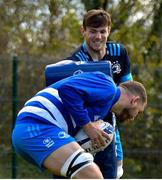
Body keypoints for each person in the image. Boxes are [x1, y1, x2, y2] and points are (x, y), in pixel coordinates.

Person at [12, 71, 147, 179]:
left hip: (37, 130)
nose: (134, 117)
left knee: (83, 173)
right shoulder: (108, 86)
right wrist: (88, 127)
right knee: (92, 175)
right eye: (138, 112)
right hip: (36, 127)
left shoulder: (102, 108)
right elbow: (67, 90)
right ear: (135, 100)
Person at [65, 9, 133, 178]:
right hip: (81, 126)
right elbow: (71, 101)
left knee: (115, 172)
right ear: (83, 31)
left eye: (103, 31)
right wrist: (88, 127)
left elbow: (127, 88)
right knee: (83, 173)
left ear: (109, 31)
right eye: (93, 31)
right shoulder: (74, 61)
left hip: (109, 124)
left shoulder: (119, 52)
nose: (98, 37)